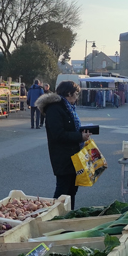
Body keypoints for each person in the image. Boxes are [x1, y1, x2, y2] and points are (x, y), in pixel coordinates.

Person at [36, 81, 91, 210]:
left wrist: (81, 134)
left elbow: (69, 128)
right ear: (68, 93)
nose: (77, 97)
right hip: (63, 157)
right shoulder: (55, 108)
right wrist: (79, 137)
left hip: (74, 155)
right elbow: (58, 134)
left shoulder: (67, 107)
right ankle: (55, 216)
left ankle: (68, 215)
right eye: (76, 94)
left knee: (72, 189)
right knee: (63, 191)